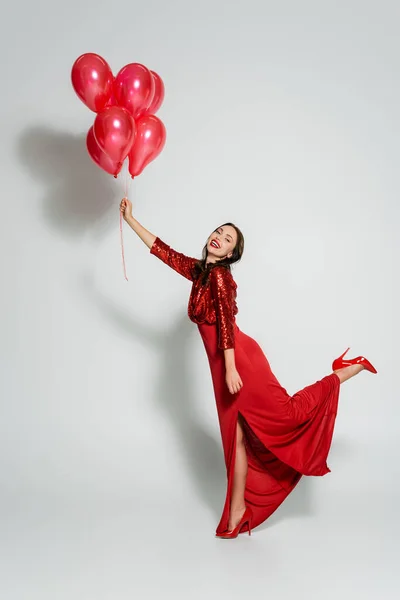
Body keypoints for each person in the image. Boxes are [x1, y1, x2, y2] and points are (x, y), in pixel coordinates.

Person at [119, 197, 377, 539]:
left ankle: (343, 372)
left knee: (286, 414)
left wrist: (229, 369)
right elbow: (163, 251)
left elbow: (226, 323)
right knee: (235, 439)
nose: (219, 237)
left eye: (227, 239)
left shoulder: (221, 278)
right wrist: (131, 219)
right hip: (224, 363)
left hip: (238, 360)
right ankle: (237, 511)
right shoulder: (200, 272)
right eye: (219, 232)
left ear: (230, 255)